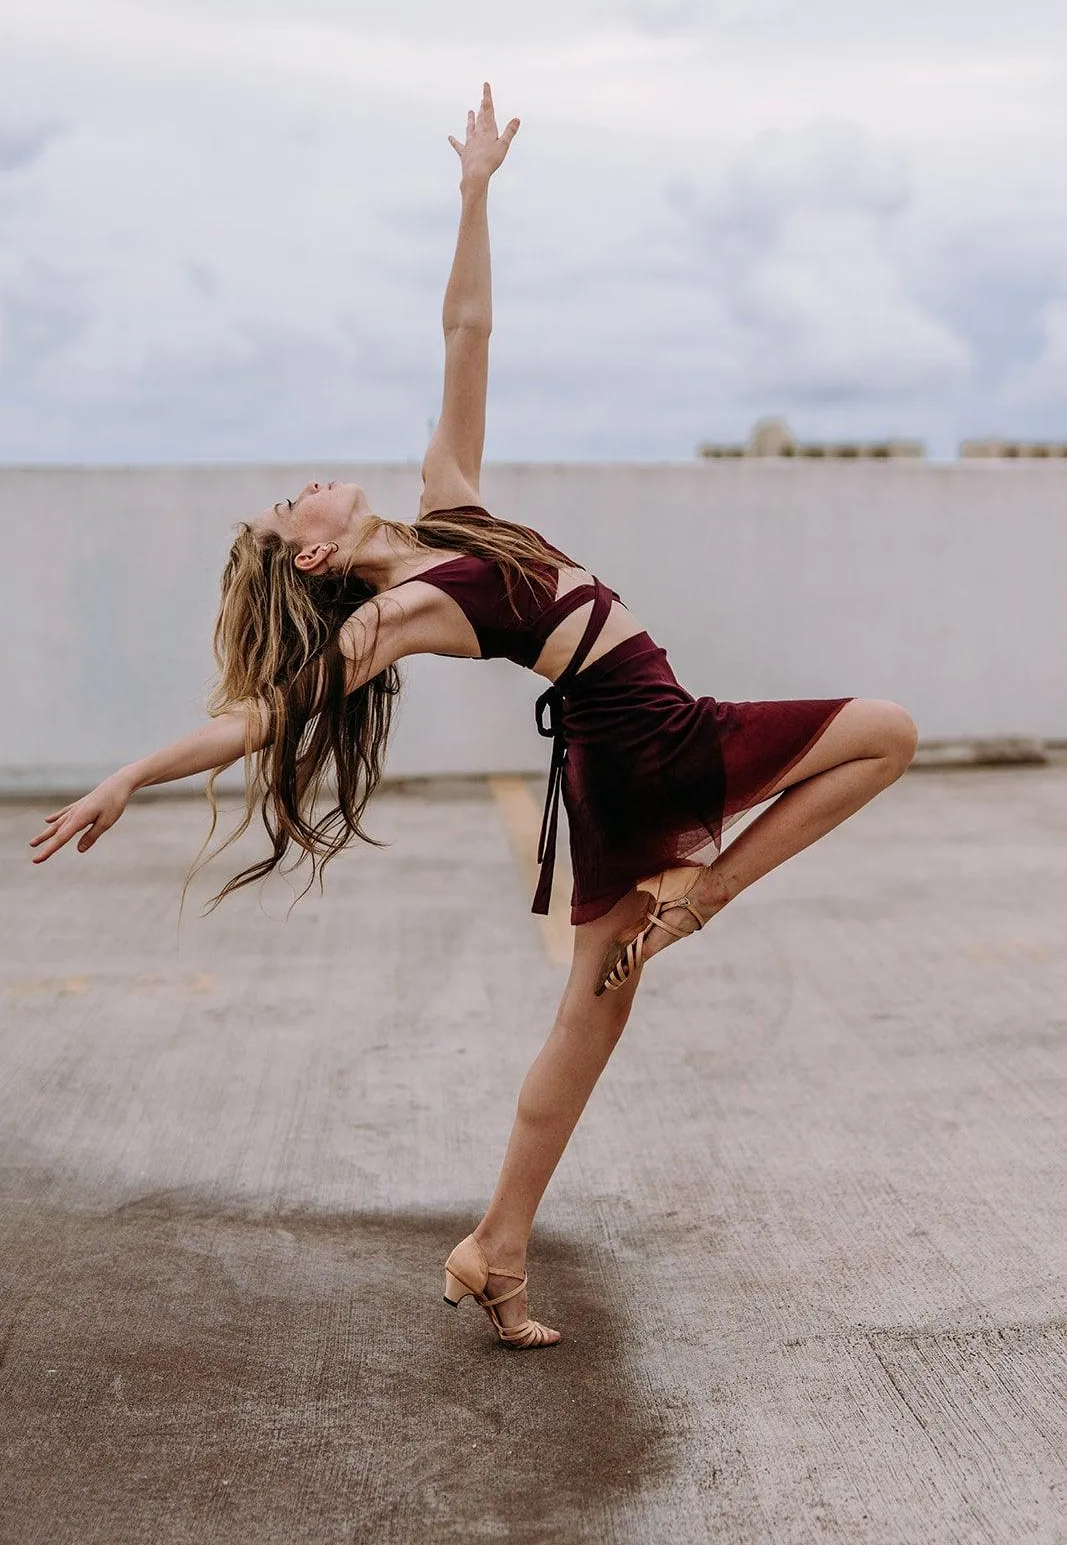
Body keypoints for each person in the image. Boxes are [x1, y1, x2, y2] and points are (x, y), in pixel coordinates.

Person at [29, 83, 918, 1351]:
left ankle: (494, 1248)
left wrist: (474, 193)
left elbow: (466, 332)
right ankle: (698, 897)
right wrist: (130, 773)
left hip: (645, 726)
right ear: (320, 557)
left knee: (590, 1017)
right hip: (636, 735)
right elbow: (259, 722)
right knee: (883, 729)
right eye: (296, 505)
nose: (312, 484)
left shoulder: (449, 504)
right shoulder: (387, 612)